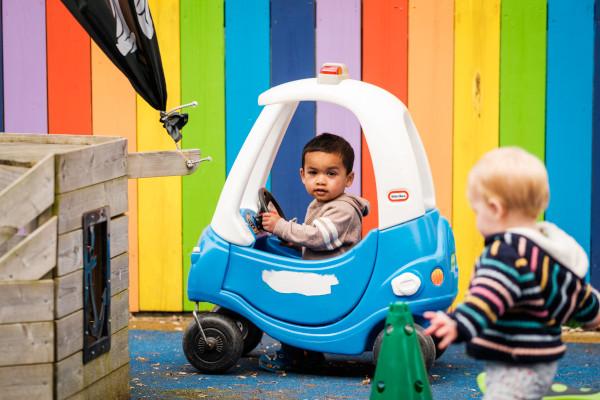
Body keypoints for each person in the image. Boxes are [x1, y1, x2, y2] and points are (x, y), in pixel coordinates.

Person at [424, 147, 600, 400]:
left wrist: (459, 323)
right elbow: (573, 294)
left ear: (495, 208)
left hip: (516, 362)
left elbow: (488, 295)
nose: (477, 220)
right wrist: (593, 312)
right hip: (540, 363)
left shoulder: (505, 253)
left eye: (477, 211)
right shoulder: (544, 249)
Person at [258, 132, 370, 372]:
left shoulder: (343, 210)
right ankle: (307, 352)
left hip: (336, 282)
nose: (321, 180)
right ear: (302, 175)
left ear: (349, 179)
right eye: (313, 173)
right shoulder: (322, 204)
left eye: (331, 173)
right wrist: (295, 243)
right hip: (327, 275)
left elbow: (318, 237)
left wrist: (280, 226)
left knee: (287, 297)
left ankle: (296, 356)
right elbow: (322, 239)